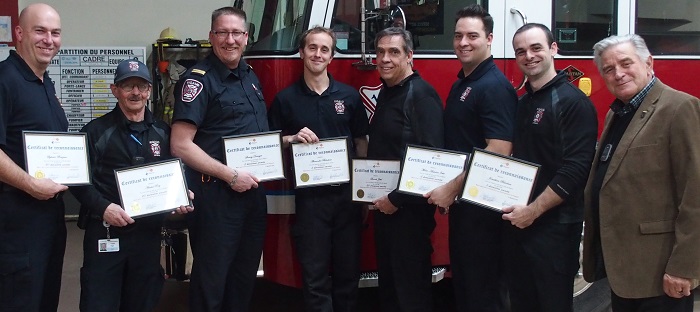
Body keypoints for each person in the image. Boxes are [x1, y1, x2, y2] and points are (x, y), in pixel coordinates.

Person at [583, 34, 700, 312]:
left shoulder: (680, 108)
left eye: (626, 63)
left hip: (661, 273)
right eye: (609, 69)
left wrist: (683, 267)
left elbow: (695, 193)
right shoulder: (619, 113)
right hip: (625, 271)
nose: (618, 74)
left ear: (649, 62)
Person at [71, 59, 194, 311]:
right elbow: (79, 182)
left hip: (147, 236)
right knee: (99, 302)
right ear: (115, 90)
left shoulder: (163, 132)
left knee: (142, 301)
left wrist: (181, 196)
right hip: (106, 232)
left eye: (141, 86)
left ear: (149, 91)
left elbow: (176, 176)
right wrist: (104, 208)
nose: (135, 92)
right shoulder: (95, 131)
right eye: (128, 86)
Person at [171, 6, 269, 312]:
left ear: (246, 37)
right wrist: (230, 176)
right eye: (223, 32)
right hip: (216, 194)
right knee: (212, 279)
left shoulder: (250, 76)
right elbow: (180, 145)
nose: (230, 40)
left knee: (244, 275)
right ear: (211, 36)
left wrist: (286, 141)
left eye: (236, 33)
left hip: (252, 194)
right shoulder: (198, 80)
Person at [268, 26, 369, 312]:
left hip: (346, 200)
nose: (318, 54)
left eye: (325, 49)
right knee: (314, 277)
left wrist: (362, 193)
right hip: (310, 201)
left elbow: (361, 143)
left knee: (348, 274)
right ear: (301, 52)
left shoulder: (348, 97)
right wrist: (291, 138)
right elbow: (266, 146)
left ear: (332, 56)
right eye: (312, 48)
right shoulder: (286, 99)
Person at [424, 5, 517, 311]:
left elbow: (499, 149)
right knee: (466, 286)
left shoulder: (494, 87)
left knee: (483, 291)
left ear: (489, 39)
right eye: (458, 35)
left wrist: (451, 188)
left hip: (485, 212)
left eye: (472, 36)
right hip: (467, 209)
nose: (463, 42)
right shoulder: (464, 82)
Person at [500, 23, 598, 312]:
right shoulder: (522, 103)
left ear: (554, 49)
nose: (529, 56)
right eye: (521, 51)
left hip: (555, 230)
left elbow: (575, 170)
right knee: (521, 303)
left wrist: (532, 212)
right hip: (519, 226)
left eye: (536, 48)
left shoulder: (573, 103)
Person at [368, 27, 444, 312]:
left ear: (410, 56)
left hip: (408, 212)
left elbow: (431, 161)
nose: (385, 59)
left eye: (394, 52)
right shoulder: (389, 93)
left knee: (409, 290)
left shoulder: (422, 97)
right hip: (387, 208)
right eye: (380, 52)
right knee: (390, 287)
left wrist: (395, 200)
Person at [0, 4, 68, 311]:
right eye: (40, 31)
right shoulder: (5, 80)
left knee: (45, 297)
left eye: (55, 33)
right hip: (15, 221)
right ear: (18, 34)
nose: (48, 40)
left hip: (49, 219)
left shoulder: (45, 83)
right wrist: (30, 184)